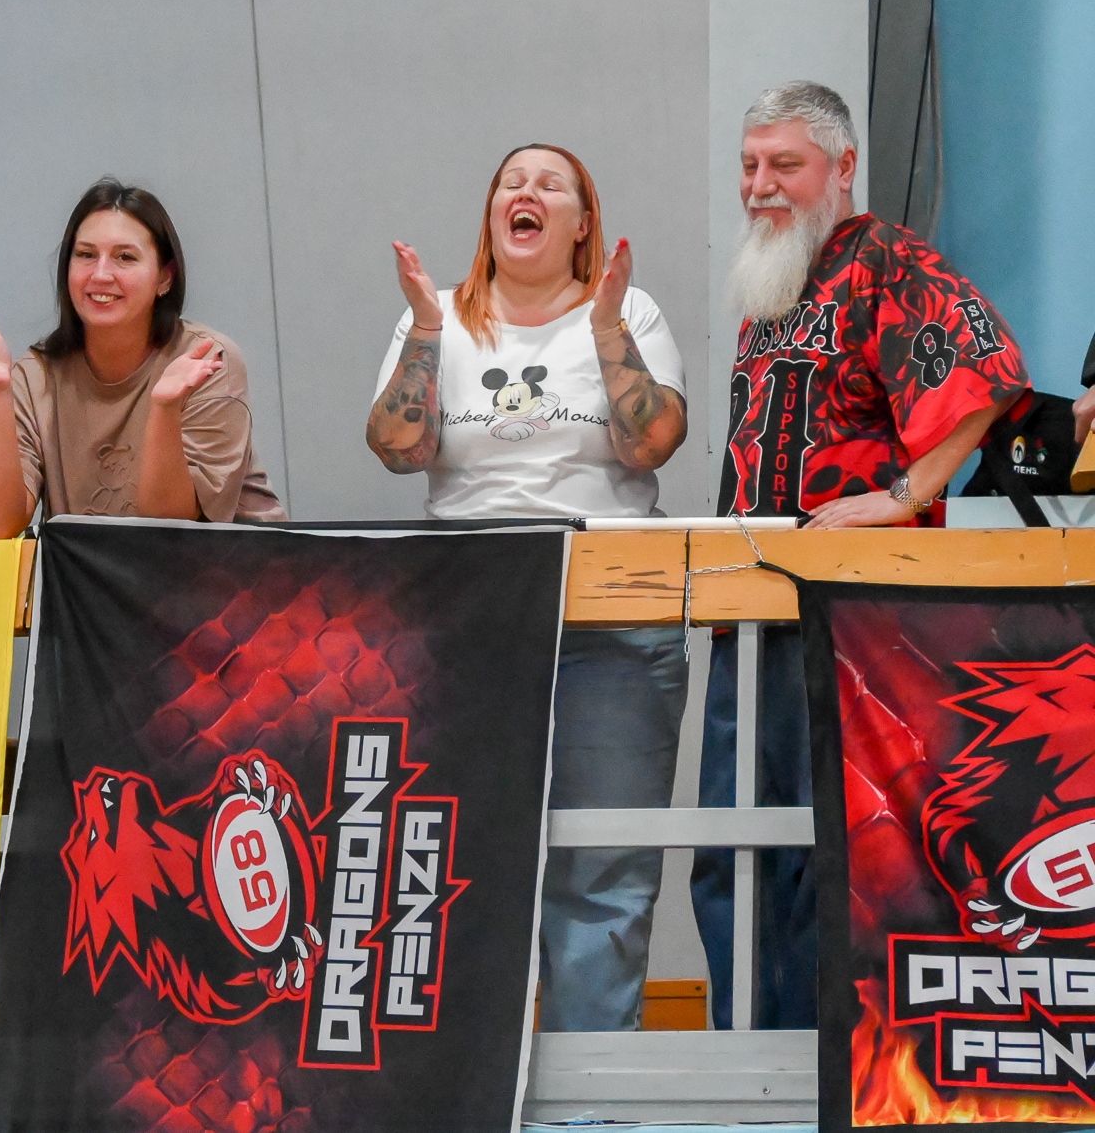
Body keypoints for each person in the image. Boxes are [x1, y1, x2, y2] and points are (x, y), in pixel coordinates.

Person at [692, 81, 1029, 1030]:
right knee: (730, 848)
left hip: (851, 618)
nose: (760, 184)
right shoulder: (772, 281)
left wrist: (902, 497)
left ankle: (814, 1063)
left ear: (842, 166)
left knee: (827, 846)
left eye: (785, 164)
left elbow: (987, 372)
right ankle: (742, 1052)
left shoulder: (886, 259)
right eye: (750, 165)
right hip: (749, 609)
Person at [365, 143, 689, 1032]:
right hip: (470, 621)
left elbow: (652, 443)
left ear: (582, 224)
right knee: (462, 860)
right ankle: (476, 1083)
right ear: (492, 213)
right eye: (511, 181)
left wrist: (609, 328)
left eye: (551, 184)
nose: (526, 191)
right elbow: (397, 448)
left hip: (611, 625)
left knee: (604, 868)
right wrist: (424, 330)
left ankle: (593, 1088)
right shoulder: (437, 317)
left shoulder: (629, 311)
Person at [0, 178, 284, 537]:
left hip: (237, 567)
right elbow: (0, 523)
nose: (101, 275)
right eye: (86, 255)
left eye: (125, 257)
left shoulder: (206, 360)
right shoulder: (36, 376)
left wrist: (164, 409)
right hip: (96, 571)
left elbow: (170, 523)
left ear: (165, 278)